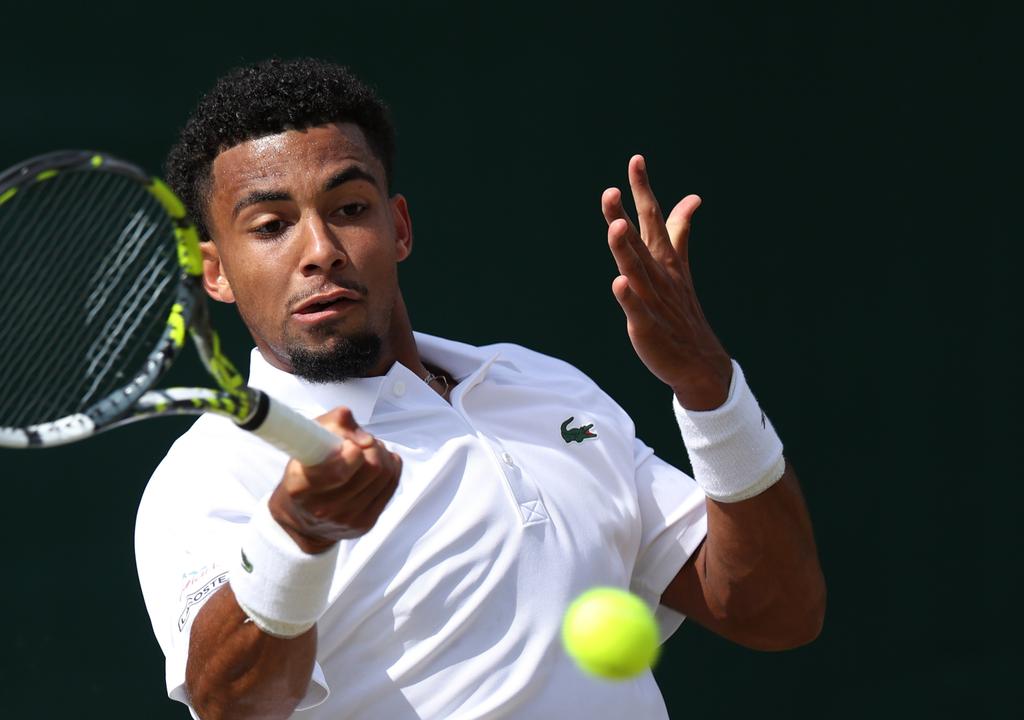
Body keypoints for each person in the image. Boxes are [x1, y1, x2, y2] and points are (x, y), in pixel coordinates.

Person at [134, 58, 825, 720]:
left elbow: (776, 610)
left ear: (397, 227)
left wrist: (712, 390)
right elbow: (234, 707)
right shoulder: (207, 477)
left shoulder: (543, 387)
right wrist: (298, 533)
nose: (321, 249)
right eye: (272, 226)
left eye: (348, 207)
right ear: (215, 272)